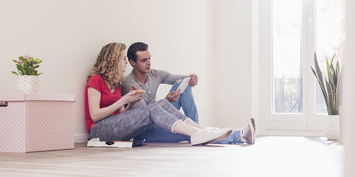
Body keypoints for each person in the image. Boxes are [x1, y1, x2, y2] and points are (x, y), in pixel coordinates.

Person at [84, 42, 233, 146]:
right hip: (99, 130)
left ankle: (202, 131)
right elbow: (95, 115)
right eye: (123, 59)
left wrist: (129, 102)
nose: (124, 63)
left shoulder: (115, 82)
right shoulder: (96, 80)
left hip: (117, 125)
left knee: (161, 103)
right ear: (113, 60)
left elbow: (121, 113)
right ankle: (197, 133)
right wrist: (123, 99)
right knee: (155, 108)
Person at [122, 42, 256, 144]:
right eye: (144, 60)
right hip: (146, 131)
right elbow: (145, 115)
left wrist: (192, 79)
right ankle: (240, 136)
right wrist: (166, 101)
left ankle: (198, 128)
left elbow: (181, 79)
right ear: (132, 62)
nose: (149, 63)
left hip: (161, 118)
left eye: (149, 58)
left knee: (183, 84)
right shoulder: (129, 84)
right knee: (186, 132)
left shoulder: (155, 74)